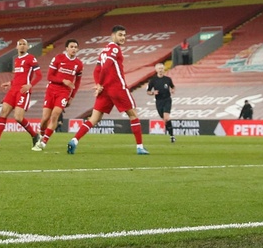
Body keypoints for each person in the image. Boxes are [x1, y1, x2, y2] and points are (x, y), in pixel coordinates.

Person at [68, 25, 148, 156]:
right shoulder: (115, 49)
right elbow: (105, 68)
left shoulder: (104, 50)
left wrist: (99, 84)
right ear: (113, 36)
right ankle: (140, 147)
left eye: (124, 35)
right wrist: (99, 83)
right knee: (133, 115)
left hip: (104, 90)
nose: (123, 37)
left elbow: (97, 70)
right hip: (117, 87)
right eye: (120, 35)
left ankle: (74, 140)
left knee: (94, 119)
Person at [34, 39, 83, 151]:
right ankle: (41, 134)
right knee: (45, 118)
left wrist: (72, 97)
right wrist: (63, 81)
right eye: (72, 46)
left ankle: (44, 142)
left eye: (76, 47)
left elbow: (78, 82)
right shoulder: (58, 58)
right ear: (66, 48)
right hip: (51, 90)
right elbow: (50, 77)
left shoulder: (78, 64)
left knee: (55, 115)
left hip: (64, 93)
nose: (74, 49)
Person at [0, 38, 41, 147]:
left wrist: (30, 85)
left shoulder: (31, 58)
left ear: (27, 47)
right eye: (20, 44)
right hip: (13, 89)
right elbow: (19, 77)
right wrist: (10, 82)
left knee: (18, 117)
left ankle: (34, 135)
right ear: (17, 47)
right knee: (3, 111)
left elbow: (39, 75)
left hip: (23, 91)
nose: (22, 46)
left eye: (24, 44)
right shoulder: (17, 60)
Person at [146, 62, 177, 142]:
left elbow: (173, 87)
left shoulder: (168, 79)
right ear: (156, 70)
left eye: (162, 68)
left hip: (167, 99)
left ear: (164, 69)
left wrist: (173, 90)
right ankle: (171, 135)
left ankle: (172, 136)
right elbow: (148, 91)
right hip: (158, 101)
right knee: (164, 120)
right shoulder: (153, 80)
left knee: (166, 117)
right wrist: (153, 93)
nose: (161, 70)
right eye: (159, 68)